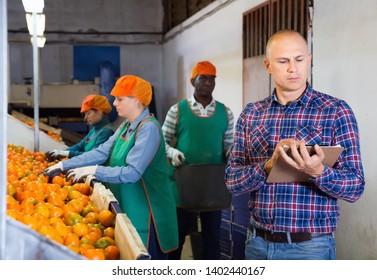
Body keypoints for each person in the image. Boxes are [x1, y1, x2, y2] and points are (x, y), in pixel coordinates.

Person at [225, 29, 365, 260]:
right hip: (257, 245)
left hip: (310, 248)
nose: (293, 68)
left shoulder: (335, 111)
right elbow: (232, 181)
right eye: (283, 61)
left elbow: (355, 187)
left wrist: (318, 172)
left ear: (309, 60)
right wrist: (267, 166)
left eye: (299, 59)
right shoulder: (251, 114)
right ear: (268, 65)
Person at [43, 75, 178, 260]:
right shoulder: (125, 126)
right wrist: (64, 164)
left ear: (136, 100)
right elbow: (101, 152)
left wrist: (94, 170)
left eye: (120, 99)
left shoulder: (149, 129)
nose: (114, 104)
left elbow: (132, 173)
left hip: (148, 211)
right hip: (130, 203)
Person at [162, 61, 234, 260]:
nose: (208, 82)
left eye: (212, 78)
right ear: (193, 81)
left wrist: (232, 155)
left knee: (212, 239)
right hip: (183, 184)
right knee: (177, 239)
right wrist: (172, 153)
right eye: (203, 78)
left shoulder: (225, 113)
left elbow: (230, 145)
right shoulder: (177, 111)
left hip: (213, 186)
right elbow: (161, 143)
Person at [45, 94, 114, 161]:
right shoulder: (95, 129)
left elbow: (94, 156)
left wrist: (67, 153)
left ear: (99, 112)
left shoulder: (106, 132)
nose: (85, 118)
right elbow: (80, 146)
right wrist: (62, 152)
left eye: (88, 113)